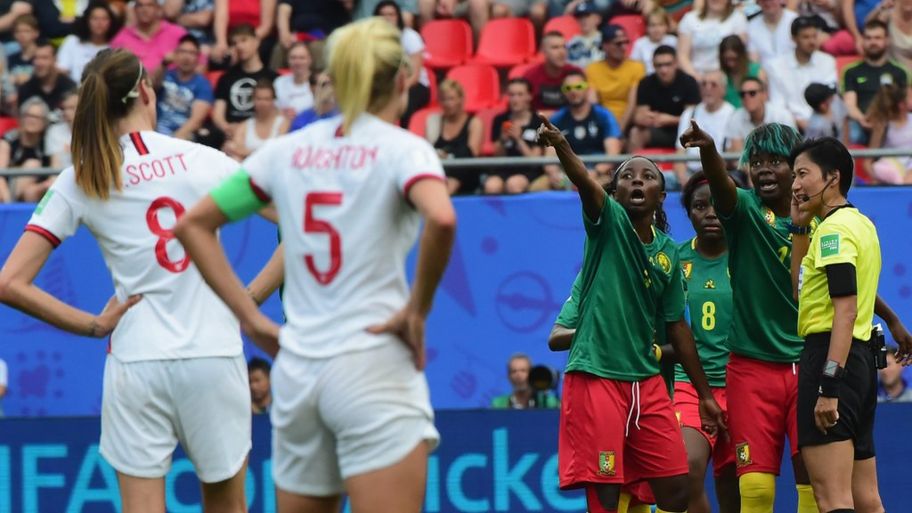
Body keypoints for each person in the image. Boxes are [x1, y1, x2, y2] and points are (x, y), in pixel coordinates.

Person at [174, 17, 456, 513]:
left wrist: (251, 319)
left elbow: (194, 224)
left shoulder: (287, 150)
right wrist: (417, 311)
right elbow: (443, 217)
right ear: (403, 80)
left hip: (300, 371)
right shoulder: (405, 149)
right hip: (374, 363)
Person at [0, 48, 265, 512]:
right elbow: (298, 223)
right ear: (145, 90)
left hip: (137, 360)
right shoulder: (204, 159)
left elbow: (9, 283)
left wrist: (93, 325)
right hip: (213, 355)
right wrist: (249, 300)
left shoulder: (83, 175)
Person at [680, 120, 912, 513]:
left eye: (778, 161)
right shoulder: (744, 210)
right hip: (753, 367)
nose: (764, 169)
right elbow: (721, 184)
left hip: (810, 361)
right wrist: (708, 151)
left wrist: (890, 318)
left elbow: (842, 289)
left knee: (817, 482)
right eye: (756, 161)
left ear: (799, 170)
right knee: (756, 489)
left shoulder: (824, 220)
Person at [537, 114, 725, 513]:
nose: (637, 180)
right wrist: (561, 145)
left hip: (645, 380)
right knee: (605, 493)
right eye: (627, 176)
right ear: (615, 193)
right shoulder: (607, 224)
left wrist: (705, 395)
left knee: (677, 490)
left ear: (661, 197)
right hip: (598, 375)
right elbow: (585, 183)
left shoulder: (670, 253)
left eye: (648, 176)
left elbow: (677, 326)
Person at [788, 137, 890, 513]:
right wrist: (800, 228)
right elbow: (799, 293)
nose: (795, 185)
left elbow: (844, 311)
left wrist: (828, 385)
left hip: (831, 360)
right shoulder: (858, 224)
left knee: (831, 498)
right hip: (860, 364)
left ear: (832, 178)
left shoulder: (833, 232)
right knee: (866, 499)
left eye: (803, 174)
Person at [675, 171, 740, 513]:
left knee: (735, 486)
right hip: (689, 385)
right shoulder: (673, 260)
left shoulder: (751, 256)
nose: (711, 213)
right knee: (686, 471)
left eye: (718, 204)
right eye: (700, 206)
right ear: (689, 213)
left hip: (744, 383)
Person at [535, 70, 621, 191]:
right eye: (568, 88)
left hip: (597, 173)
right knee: (537, 187)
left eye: (579, 86)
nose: (573, 91)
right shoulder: (557, 118)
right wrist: (554, 173)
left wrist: (594, 172)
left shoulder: (604, 115)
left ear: (588, 89)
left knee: (600, 187)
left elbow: (613, 154)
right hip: (566, 173)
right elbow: (549, 155)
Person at [841, 19, 910, 146]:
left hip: (892, 124)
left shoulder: (900, 71)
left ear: (887, 40)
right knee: (851, 132)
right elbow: (850, 105)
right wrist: (862, 119)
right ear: (863, 40)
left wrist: (886, 122)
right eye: (868, 38)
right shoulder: (851, 71)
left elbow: (906, 104)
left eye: (877, 38)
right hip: (862, 123)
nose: (873, 42)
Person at [765, 15, 837, 131]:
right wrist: (798, 122)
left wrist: (815, 122)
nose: (812, 41)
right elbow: (778, 104)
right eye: (806, 37)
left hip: (823, 122)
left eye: (814, 36)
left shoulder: (828, 61)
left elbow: (829, 98)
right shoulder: (776, 66)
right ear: (794, 39)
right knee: (779, 115)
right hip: (790, 125)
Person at [211, 24, 278, 146]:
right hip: (230, 135)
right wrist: (227, 128)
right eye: (235, 43)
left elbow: (277, 114)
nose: (239, 46)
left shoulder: (273, 78)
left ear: (257, 41)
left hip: (261, 135)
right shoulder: (226, 77)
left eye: (244, 40)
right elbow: (218, 115)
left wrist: (248, 130)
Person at [629, 45, 700, 152]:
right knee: (635, 133)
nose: (664, 70)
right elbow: (639, 116)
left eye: (668, 64)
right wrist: (651, 118)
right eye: (659, 65)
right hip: (657, 130)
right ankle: (633, 167)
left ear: (676, 63)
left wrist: (669, 120)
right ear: (653, 65)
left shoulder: (689, 82)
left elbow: (694, 119)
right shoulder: (646, 83)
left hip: (683, 132)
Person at [374, 0, 430, 128]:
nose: (387, 18)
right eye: (382, 15)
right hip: (386, 85)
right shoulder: (372, 39)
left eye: (391, 14)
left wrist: (398, 90)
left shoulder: (410, 37)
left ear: (398, 17)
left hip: (414, 85)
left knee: (404, 103)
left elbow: (414, 76)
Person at [674, 71, 734, 186]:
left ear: (723, 90)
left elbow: (731, 156)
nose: (708, 88)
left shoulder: (732, 114)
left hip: (721, 174)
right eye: (704, 84)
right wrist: (683, 179)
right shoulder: (689, 113)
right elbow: (680, 151)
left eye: (713, 84)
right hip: (690, 174)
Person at [488, 78, 544, 195]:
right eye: (512, 95)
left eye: (520, 95)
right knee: (491, 186)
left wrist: (519, 139)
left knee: (514, 185)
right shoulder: (500, 120)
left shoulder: (538, 122)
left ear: (529, 96)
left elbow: (534, 161)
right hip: (505, 168)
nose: (515, 99)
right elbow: (498, 157)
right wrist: (503, 140)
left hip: (528, 170)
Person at [585, 25, 646, 132]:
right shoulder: (592, 69)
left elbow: (632, 104)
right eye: (618, 43)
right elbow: (593, 103)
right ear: (605, 46)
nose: (624, 47)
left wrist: (617, 132)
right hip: (603, 122)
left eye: (626, 42)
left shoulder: (637, 67)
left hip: (629, 121)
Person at [428, 79, 482, 195]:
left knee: (465, 152)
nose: (447, 104)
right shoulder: (434, 121)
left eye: (451, 99)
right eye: (443, 99)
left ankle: (446, 193)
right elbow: (429, 150)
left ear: (461, 99)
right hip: (441, 171)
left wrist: (447, 156)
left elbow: (472, 153)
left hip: (466, 176)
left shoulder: (474, 122)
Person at [155, 34, 214, 140]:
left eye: (192, 53)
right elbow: (151, 86)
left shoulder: (203, 85)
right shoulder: (165, 74)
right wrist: (163, 64)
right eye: (182, 52)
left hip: (182, 136)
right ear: (175, 54)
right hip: (155, 130)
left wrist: (173, 139)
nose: (186, 57)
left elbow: (196, 120)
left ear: (198, 58)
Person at [676, 0, 747, 80]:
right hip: (694, 77)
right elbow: (682, 56)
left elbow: (740, 55)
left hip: (727, 77)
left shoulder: (738, 18)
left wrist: (720, 78)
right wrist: (697, 78)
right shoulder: (689, 19)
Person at [110, 0, 187, 74]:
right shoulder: (121, 38)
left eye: (150, 5)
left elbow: (197, 64)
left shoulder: (178, 33)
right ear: (134, 10)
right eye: (140, 5)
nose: (145, 9)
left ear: (158, 9)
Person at [724, 77, 796, 152]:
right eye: (742, 94)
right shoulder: (736, 117)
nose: (746, 97)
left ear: (764, 95)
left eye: (752, 93)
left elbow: (792, 148)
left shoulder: (782, 116)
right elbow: (737, 154)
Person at [224, 79, 289, 160]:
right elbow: (235, 148)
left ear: (273, 100)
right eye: (259, 99)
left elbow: (280, 151)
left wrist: (247, 152)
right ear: (253, 100)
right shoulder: (244, 126)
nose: (262, 103)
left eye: (266, 99)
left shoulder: (283, 123)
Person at [1, 96, 50, 202]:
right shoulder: (9, 139)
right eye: (28, 116)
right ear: (21, 118)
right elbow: (0, 175)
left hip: (34, 192)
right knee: (33, 164)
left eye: (37, 117)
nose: (31, 120)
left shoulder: (48, 142)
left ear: (45, 122)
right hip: (5, 192)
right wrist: (8, 204)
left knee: (31, 191)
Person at [56, 1, 117, 84]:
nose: (99, 23)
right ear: (87, 20)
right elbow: (61, 71)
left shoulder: (116, 46)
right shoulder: (72, 41)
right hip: (73, 92)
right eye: (95, 18)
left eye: (104, 19)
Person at [524, 31, 584, 111]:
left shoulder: (576, 73)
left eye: (564, 47)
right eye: (555, 47)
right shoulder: (531, 76)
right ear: (543, 51)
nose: (562, 52)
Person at [864, 84, 912, 185]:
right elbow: (868, 162)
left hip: (909, 167)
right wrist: (875, 179)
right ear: (901, 105)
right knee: (888, 172)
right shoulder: (884, 125)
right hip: (890, 167)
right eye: (910, 97)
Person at [16, 39, 77, 113]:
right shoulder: (26, 89)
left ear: (55, 59)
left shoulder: (69, 88)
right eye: (35, 58)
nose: (39, 63)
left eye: (44, 58)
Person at [490, 353, 560, 409]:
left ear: (532, 374)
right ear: (509, 376)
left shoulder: (548, 402)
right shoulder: (498, 404)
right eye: (514, 371)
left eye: (523, 371)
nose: (518, 375)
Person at [719, 35, 765, 109]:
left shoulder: (757, 72)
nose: (731, 64)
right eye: (727, 59)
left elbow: (764, 99)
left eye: (734, 59)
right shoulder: (721, 76)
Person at [747, 0, 798, 67]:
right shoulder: (751, 26)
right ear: (758, 2)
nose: (768, 3)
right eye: (763, 1)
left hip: (795, 71)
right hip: (764, 74)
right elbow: (753, 57)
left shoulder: (795, 20)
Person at [629, 8, 677, 75]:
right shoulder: (640, 44)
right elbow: (633, 67)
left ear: (667, 26)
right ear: (646, 27)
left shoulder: (673, 41)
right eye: (653, 25)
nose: (657, 29)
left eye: (660, 25)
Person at [273, 42, 314, 119]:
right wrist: (281, 113)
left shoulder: (318, 82)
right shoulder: (279, 82)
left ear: (310, 60)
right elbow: (271, 109)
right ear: (288, 60)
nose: (297, 62)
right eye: (293, 58)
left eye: (302, 58)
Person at [45, 89, 77, 169]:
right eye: (64, 108)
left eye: (72, 108)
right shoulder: (54, 131)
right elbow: (55, 165)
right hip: (63, 177)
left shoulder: (95, 131)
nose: (66, 112)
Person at [566, 1, 604, 69]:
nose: (583, 20)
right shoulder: (571, 43)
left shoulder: (606, 40)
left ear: (598, 19)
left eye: (587, 16)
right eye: (580, 17)